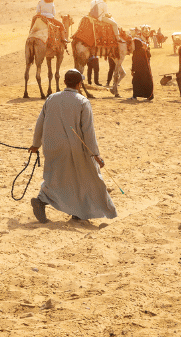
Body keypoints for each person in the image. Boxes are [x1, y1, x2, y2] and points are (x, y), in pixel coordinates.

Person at [28, 69, 117, 223]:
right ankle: (74, 211)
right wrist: (95, 154)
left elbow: (40, 123)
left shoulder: (51, 98)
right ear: (79, 84)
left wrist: (35, 145)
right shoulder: (83, 101)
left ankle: (42, 202)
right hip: (74, 148)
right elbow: (88, 132)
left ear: (64, 83)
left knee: (54, 178)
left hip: (51, 146)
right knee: (83, 178)